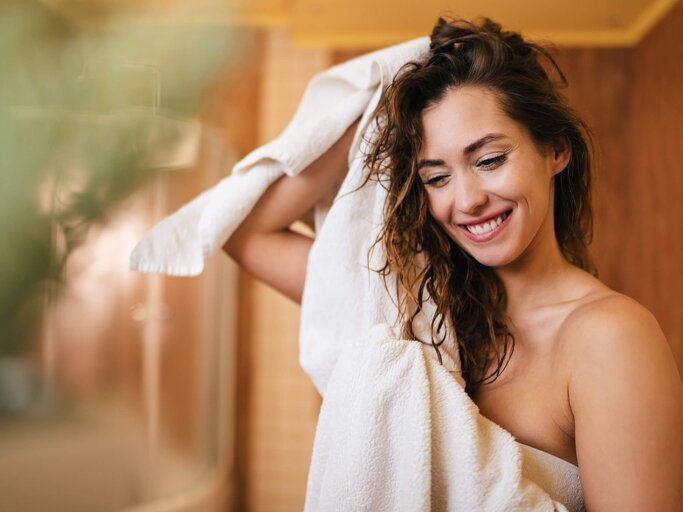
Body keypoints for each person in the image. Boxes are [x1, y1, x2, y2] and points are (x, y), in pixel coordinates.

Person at [223, 17, 683, 511]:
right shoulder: (415, 309)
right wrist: (379, 108)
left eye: (489, 160)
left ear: (556, 150)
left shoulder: (610, 339)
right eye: (436, 177)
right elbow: (241, 230)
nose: (467, 201)